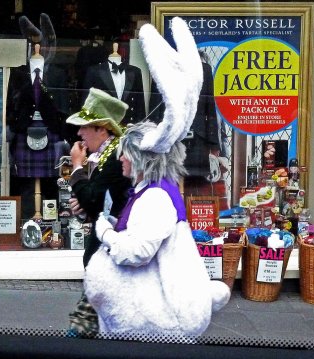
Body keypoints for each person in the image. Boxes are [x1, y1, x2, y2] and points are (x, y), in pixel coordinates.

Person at [83, 17, 231, 342]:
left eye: (125, 153)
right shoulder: (149, 192)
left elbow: (135, 252)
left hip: (161, 323)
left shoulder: (156, 198)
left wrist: (105, 230)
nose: (120, 158)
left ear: (139, 159)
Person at [65, 87, 132, 337]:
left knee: (82, 326)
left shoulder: (115, 156)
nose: (79, 132)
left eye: (85, 127)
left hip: (109, 252)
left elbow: (94, 199)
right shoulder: (104, 155)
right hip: (106, 253)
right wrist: (83, 204)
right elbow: (95, 201)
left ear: (102, 129)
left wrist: (76, 167)